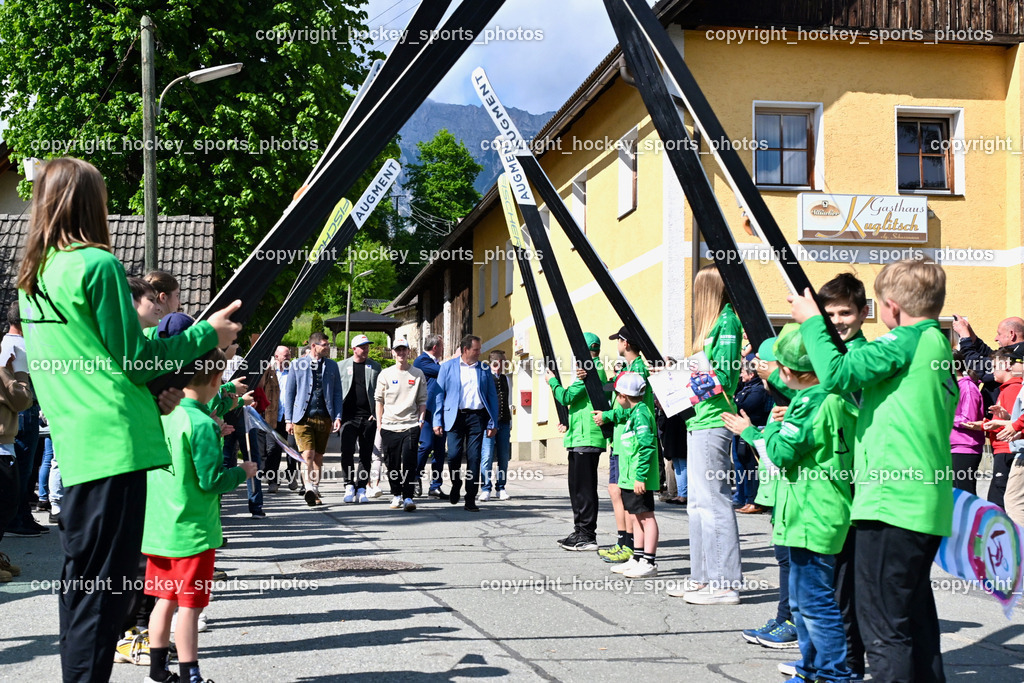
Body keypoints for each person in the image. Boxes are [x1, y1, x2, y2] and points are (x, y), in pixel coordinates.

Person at [16, 157, 241, 682]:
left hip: (79, 445)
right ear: (90, 204)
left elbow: (99, 364)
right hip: (117, 448)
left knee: (82, 589)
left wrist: (150, 396)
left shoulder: (35, 276)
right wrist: (208, 334)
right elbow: (136, 359)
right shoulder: (97, 265)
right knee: (107, 598)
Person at [790, 258, 956, 682]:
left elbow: (839, 373)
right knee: (914, 624)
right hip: (923, 504)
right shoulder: (935, 343)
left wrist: (812, 322)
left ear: (891, 307)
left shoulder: (904, 339)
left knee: (883, 630)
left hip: (891, 504)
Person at [723, 323, 858, 683]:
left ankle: (832, 675)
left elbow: (781, 454)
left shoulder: (807, 404)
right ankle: (811, 669)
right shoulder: (836, 395)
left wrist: (768, 427)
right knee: (806, 603)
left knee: (815, 604)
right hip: (821, 510)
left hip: (809, 513)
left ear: (788, 370)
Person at [142, 347, 257, 683]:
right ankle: (191, 674)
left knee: (163, 600)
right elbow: (211, 481)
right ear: (216, 380)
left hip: (160, 529)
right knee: (190, 607)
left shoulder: (167, 415)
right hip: (193, 532)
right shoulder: (203, 422)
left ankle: (157, 671)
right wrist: (241, 472)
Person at [675, 265, 743, 605]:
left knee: (714, 502)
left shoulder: (727, 322)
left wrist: (684, 384)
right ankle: (702, 579)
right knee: (698, 506)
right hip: (700, 420)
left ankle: (725, 583)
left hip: (714, 421)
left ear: (706, 292)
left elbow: (726, 378)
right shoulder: (714, 326)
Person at [593, 326, 653, 563]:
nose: (616, 344)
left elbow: (632, 409)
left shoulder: (636, 369)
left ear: (626, 342)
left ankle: (628, 545)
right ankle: (625, 542)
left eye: (618, 340)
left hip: (628, 442)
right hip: (620, 438)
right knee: (617, 492)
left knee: (622, 494)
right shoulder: (629, 368)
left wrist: (607, 416)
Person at [547, 332, 608, 551]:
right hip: (578, 436)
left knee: (584, 489)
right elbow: (579, 404)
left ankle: (587, 534)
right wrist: (567, 422)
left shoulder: (591, 369)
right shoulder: (587, 369)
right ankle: (579, 531)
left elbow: (566, 397)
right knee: (576, 487)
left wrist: (551, 381)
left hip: (588, 437)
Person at [603, 372, 660, 579]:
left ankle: (649, 560)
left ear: (624, 396)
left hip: (637, 478)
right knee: (636, 517)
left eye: (617, 395)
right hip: (629, 477)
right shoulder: (634, 412)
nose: (617, 400)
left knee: (646, 517)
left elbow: (646, 446)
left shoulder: (641, 413)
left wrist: (641, 476)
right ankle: (636, 557)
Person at [433, 335, 498, 512]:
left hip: (477, 417)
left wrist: (493, 422)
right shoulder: (447, 368)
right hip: (455, 417)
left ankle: (470, 498)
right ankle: (456, 483)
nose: (479, 353)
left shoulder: (484, 369)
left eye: (479, 349)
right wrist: (437, 420)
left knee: (474, 458)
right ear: (465, 350)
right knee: (453, 455)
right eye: (476, 350)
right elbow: (439, 396)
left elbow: (492, 396)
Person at [0, 301, 46, 537]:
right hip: (24, 408)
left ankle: (22, 516)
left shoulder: (7, 342)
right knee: (23, 468)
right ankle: (18, 518)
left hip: (22, 409)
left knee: (24, 468)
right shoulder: (21, 345)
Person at [284, 332, 343, 507]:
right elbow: (289, 393)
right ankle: (308, 487)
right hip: (302, 417)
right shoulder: (297, 364)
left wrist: (337, 416)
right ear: (313, 346)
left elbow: (337, 393)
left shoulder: (332, 366)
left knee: (318, 456)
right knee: (307, 454)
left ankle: (315, 488)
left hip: (324, 416)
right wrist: (288, 419)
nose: (327, 348)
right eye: (324, 345)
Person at [374, 338, 427, 512]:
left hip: (411, 424)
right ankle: (396, 494)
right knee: (393, 463)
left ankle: (408, 497)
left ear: (409, 351)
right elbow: (379, 400)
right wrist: (380, 423)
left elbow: (422, 401)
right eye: (398, 350)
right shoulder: (385, 374)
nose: (401, 353)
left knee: (410, 462)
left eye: (404, 350)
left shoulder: (417, 374)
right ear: (393, 353)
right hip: (389, 425)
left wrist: (420, 420)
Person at [0, 347, 34, 581]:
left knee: (8, 504)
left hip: (5, 443)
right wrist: (19, 372)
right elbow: (22, 399)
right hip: (1, 444)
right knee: (5, 505)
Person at [337, 334, 382, 501]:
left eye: (367, 346)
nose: (366, 349)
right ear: (353, 349)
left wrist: (377, 414)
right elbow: (336, 392)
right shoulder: (341, 366)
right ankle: (349, 485)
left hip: (368, 417)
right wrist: (337, 415)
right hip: (348, 417)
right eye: (362, 347)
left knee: (365, 454)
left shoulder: (375, 367)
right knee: (346, 452)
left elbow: (380, 393)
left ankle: (362, 487)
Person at [953, 314, 1024, 407]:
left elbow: (979, 366)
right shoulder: (1014, 350)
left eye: (999, 334)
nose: (996, 338)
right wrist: (970, 333)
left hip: (1003, 416)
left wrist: (965, 337)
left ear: (1012, 334)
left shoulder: (1017, 354)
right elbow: (989, 354)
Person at [732, 356, 772, 513]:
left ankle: (755, 501)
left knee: (752, 467)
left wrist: (736, 402)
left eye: (743, 372)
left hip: (754, 429)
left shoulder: (758, 390)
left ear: (752, 374)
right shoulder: (746, 388)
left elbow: (745, 406)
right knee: (744, 466)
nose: (741, 375)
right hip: (743, 431)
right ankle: (747, 499)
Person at [414, 334, 447, 497]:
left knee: (440, 450)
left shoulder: (434, 362)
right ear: (435, 347)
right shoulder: (422, 361)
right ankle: (414, 477)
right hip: (426, 413)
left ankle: (435, 486)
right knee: (426, 445)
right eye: (441, 346)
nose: (443, 349)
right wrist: (455, 359)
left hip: (440, 412)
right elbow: (443, 372)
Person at [950, 350, 985, 494]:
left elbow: (968, 419)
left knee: (965, 495)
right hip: (951, 447)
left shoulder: (968, 387)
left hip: (965, 447)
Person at [260, 346, 294, 492]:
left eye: (289, 356)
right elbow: (260, 389)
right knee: (272, 449)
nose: (287, 358)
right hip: (272, 417)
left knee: (292, 449)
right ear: (276, 357)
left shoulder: (294, 372)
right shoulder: (269, 372)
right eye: (285, 356)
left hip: (291, 418)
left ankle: (292, 476)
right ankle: (273, 481)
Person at [480, 349, 513, 502]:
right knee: (486, 456)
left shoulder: (505, 379)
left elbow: (507, 401)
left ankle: (501, 487)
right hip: (489, 423)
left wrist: (510, 421)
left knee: (503, 457)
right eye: (504, 361)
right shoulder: (485, 378)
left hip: (504, 422)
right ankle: (485, 488)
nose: (505, 364)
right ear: (497, 362)